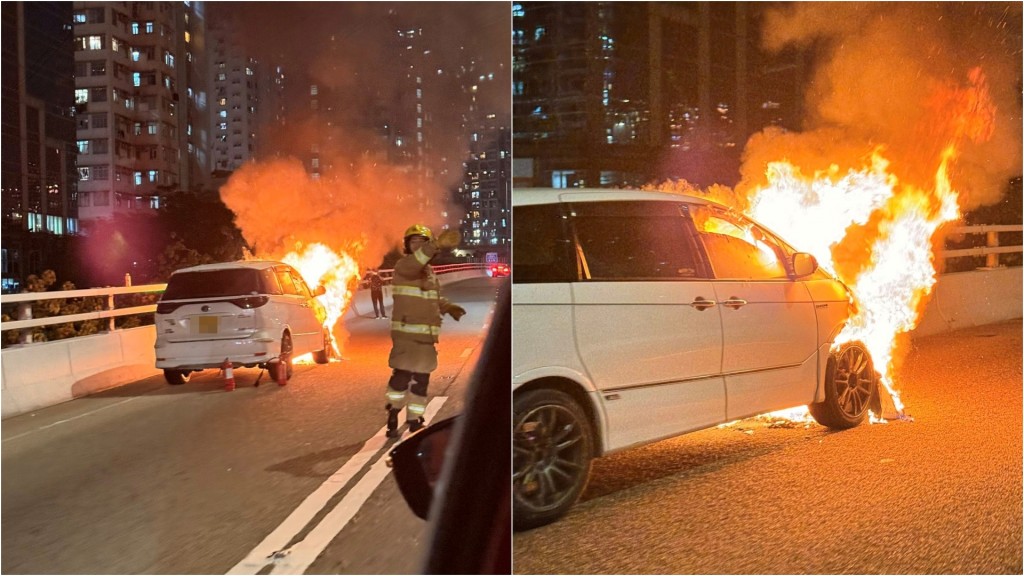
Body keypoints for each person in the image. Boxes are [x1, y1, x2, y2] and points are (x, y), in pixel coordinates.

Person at [385, 224, 466, 437]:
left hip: (426, 338)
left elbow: (434, 296)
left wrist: (448, 307)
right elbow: (417, 261)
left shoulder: (429, 274)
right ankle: (393, 412)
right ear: (407, 246)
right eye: (414, 243)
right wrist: (435, 244)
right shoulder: (404, 266)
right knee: (401, 378)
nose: (418, 246)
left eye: (423, 242)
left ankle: (414, 420)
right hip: (406, 336)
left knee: (421, 382)